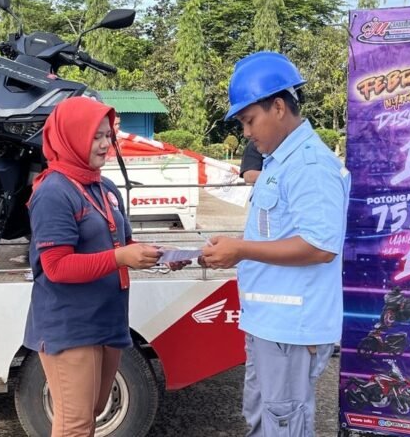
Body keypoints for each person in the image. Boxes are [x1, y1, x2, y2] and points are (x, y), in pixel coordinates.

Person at [200, 51, 350, 437]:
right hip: (269, 324)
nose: (246, 133)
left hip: (292, 330)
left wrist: (241, 250)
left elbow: (320, 246)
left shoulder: (310, 166)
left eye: (250, 121)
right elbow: (273, 234)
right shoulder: (280, 162)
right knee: (263, 421)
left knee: (283, 426)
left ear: (279, 107)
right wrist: (235, 246)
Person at [23, 97, 167, 437]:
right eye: (96, 136)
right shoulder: (54, 192)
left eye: (108, 136)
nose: (106, 144)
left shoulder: (104, 187)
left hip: (107, 318)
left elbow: (123, 244)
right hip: (70, 323)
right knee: (76, 426)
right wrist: (120, 259)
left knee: (93, 413)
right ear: (71, 136)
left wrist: (159, 254)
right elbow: (56, 267)